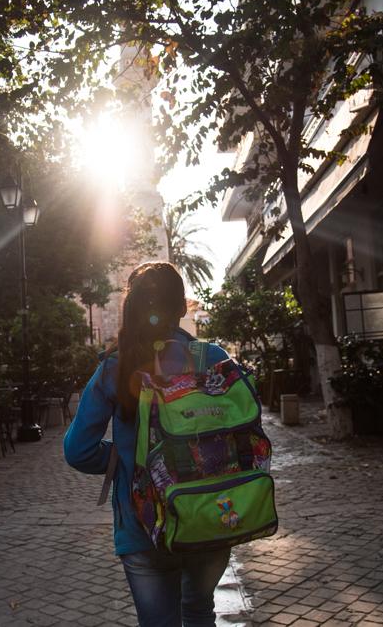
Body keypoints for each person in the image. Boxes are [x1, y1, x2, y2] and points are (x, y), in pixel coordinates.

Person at [64, 262, 233, 627]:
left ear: (132, 306)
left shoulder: (114, 367)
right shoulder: (213, 359)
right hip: (212, 512)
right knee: (201, 613)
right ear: (182, 307)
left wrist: (125, 458)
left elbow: (77, 449)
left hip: (143, 523)